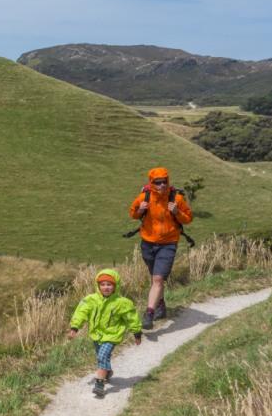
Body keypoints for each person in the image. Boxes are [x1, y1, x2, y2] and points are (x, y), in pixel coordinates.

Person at [128, 167, 193, 329]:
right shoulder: (145, 197)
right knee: (155, 277)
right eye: (158, 182)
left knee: (158, 279)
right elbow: (133, 213)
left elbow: (188, 219)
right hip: (148, 243)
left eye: (165, 181)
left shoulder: (176, 199)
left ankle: (149, 313)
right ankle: (161, 306)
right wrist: (140, 210)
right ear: (151, 183)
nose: (162, 185)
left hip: (168, 244)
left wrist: (177, 212)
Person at [67, 269, 142, 397]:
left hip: (112, 335)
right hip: (96, 334)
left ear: (116, 286)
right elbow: (81, 313)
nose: (106, 287)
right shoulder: (90, 300)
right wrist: (74, 328)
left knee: (102, 356)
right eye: (103, 284)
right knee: (102, 357)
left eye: (109, 284)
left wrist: (137, 332)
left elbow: (132, 317)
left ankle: (100, 384)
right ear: (98, 286)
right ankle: (107, 372)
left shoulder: (122, 302)